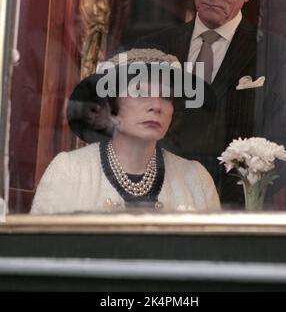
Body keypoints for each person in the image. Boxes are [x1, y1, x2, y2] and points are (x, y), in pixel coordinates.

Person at [138, 0, 286, 208]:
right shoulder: (153, 49)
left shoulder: (279, 57)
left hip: (231, 218)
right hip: (153, 211)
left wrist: (222, 206)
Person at [30, 48, 220, 214]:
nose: (156, 105)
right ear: (110, 105)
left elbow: (213, 253)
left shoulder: (195, 179)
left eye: (166, 97)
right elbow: (41, 251)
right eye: (139, 92)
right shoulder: (70, 171)